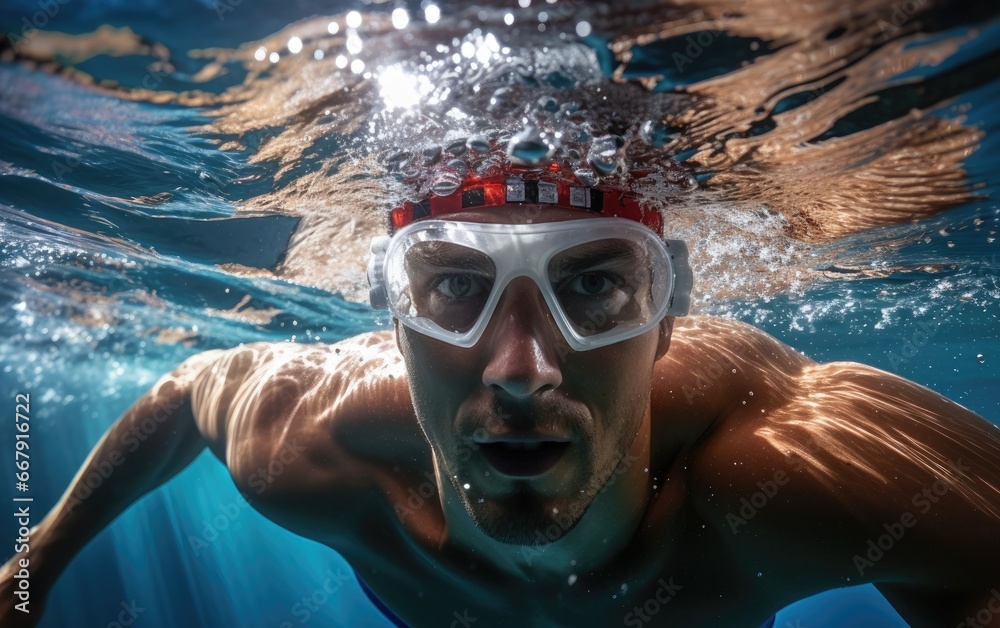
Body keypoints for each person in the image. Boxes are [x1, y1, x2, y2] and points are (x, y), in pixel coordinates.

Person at [2, 166, 999, 628]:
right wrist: (36, 564)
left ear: (661, 321)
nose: (519, 369)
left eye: (596, 285)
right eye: (452, 289)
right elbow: (184, 389)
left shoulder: (781, 472)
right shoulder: (314, 445)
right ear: (395, 324)